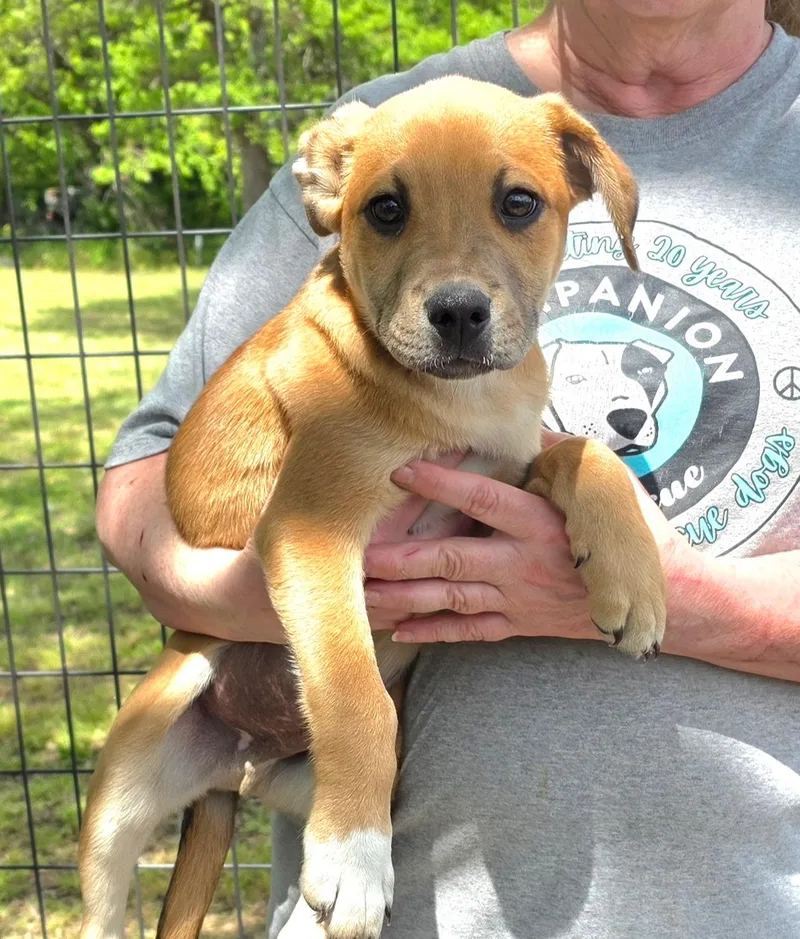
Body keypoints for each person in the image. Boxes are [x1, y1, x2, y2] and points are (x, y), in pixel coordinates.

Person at [97, 1, 800, 936]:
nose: (457, 289)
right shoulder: (378, 125)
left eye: (517, 207)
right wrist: (284, 584)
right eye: (387, 214)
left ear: (597, 198)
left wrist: (690, 598)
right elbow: (145, 483)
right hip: (390, 890)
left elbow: (538, 462)